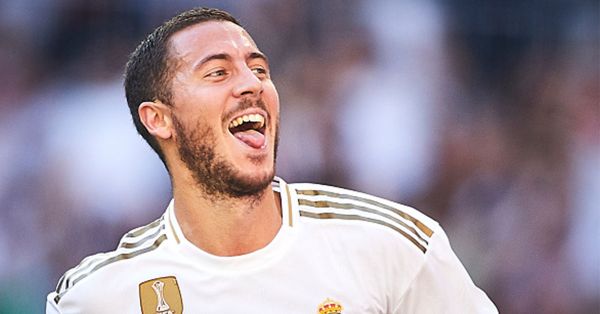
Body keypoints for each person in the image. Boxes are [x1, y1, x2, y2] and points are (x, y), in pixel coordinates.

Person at [46, 7, 497, 314]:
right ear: (159, 119)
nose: (251, 84)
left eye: (259, 69)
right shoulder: (101, 296)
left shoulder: (391, 245)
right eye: (218, 72)